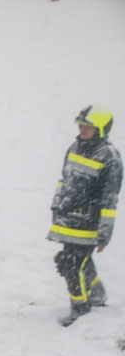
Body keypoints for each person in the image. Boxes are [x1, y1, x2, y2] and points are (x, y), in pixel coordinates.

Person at [47, 105, 122, 326]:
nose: (82, 129)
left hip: (89, 223)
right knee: (80, 262)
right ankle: (97, 295)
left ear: (100, 128)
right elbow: (64, 182)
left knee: (71, 264)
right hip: (68, 221)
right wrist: (56, 207)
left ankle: (80, 308)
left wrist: (104, 233)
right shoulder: (75, 147)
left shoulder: (110, 157)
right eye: (81, 125)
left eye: (87, 126)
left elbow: (110, 198)